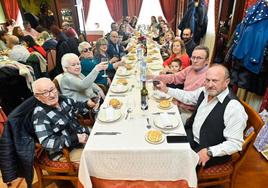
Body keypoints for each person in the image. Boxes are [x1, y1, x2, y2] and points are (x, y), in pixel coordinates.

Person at [155, 64, 248, 167]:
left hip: (207, 150)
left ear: (226, 82)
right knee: (165, 143)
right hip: (191, 136)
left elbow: (235, 143)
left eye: (215, 80)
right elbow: (187, 96)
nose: (210, 84)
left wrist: (209, 151)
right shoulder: (205, 91)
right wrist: (166, 89)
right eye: (207, 80)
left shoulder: (234, 107)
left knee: (172, 164)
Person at [32, 77, 92, 162]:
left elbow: (77, 106)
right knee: (98, 156)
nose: (52, 95)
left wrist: (88, 104)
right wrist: (75, 138)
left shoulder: (62, 99)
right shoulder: (40, 115)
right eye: (45, 93)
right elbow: (46, 142)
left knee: (106, 141)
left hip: (82, 135)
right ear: (38, 97)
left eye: (52, 89)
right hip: (66, 151)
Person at [150, 45, 209, 123]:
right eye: (193, 57)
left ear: (207, 61)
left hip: (190, 113)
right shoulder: (190, 69)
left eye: (199, 58)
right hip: (179, 103)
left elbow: (192, 99)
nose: (195, 60)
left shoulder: (209, 77)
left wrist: (168, 90)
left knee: (158, 120)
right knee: (152, 107)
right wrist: (155, 77)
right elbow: (174, 77)